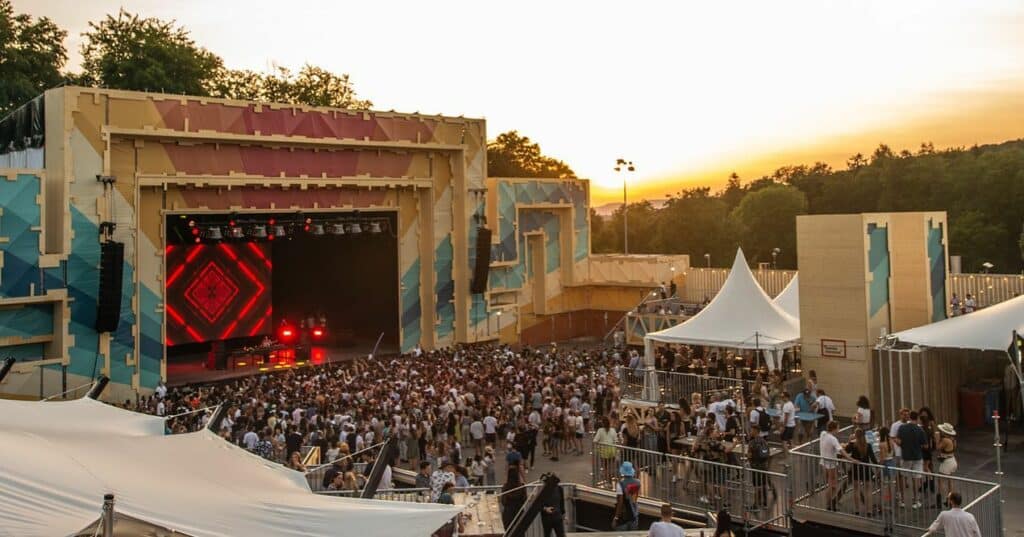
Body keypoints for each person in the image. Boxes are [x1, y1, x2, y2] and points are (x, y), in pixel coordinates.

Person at [895, 410, 928, 509]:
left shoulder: (902, 428)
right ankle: (915, 501)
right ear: (917, 418)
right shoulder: (920, 430)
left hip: (906, 456)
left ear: (909, 417)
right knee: (916, 479)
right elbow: (926, 446)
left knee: (903, 477)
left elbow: (898, 441)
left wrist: (902, 444)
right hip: (917, 457)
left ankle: (902, 501)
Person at [845, 428, 878, 516]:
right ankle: (869, 511)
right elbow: (873, 459)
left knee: (856, 489)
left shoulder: (853, 445)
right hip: (866, 469)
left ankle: (857, 510)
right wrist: (879, 465)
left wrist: (849, 440)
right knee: (868, 490)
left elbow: (846, 451)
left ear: (855, 435)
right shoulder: (868, 445)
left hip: (856, 469)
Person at [819, 421, 850, 511]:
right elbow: (841, 451)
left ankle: (830, 502)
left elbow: (832, 446)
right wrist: (849, 458)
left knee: (830, 484)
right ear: (834, 428)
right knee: (833, 485)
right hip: (831, 464)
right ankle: (829, 504)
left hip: (823, 462)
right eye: (838, 428)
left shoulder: (823, 434)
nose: (839, 430)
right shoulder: (833, 439)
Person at [747, 424, 771, 509]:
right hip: (764, 466)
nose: (750, 432)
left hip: (755, 467)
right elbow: (768, 453)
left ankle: (756, 504)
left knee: (757, 486)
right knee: (764, 484)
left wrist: (749, 460)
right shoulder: (764, 441)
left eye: (751, 430)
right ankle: (765, 503)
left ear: (755, 431)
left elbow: (749, 455)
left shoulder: (752, 443)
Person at [613, 461, 641, 531]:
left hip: (624, 516)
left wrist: (616, 518)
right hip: (634, 514)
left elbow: (620, 503)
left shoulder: (620, 484)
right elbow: (635, 499)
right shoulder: (638, 482)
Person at [936, 422, 958, 507]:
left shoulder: (945, 440)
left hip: (947, 463)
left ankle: (939, 500)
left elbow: (938, 447)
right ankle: (950, 501)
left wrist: (937, 439)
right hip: (952, 460)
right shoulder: (953, 439)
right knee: (950, 481)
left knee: (940, 481)